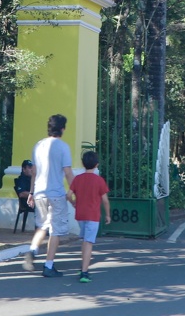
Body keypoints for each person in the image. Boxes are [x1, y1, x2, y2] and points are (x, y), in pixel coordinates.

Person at [23, 114, 75, 277]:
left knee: (42, 226)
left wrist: (31, 193)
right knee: (55, 231)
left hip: (39, 192)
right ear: (62, 129)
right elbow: (67, 172)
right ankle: (48, 266)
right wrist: (73, 191)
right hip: (56, 193)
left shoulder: (38, 145)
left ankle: (32, 250)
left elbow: (34, 172)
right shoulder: (63, 147)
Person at [68, 150, 112, 283]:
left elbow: (68, 195)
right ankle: (84, 272)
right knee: (89, 243)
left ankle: (83, 266)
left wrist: (74, 203)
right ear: (96, 164)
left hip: (80, 214)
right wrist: (108, 215)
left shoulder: (77, 179)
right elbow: (105, 200)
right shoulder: (99, 181)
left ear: (83, 164)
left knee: (84, 241)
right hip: (93, 215)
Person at [14, 159, 36, 230]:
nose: (31, 170)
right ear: (24, 169)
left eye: (32, 168)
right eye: (29, 168)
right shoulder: (22, 180)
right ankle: (41, 229)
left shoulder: (32, 179)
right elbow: (21, 194)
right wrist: (34, 196)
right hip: (26, 203)